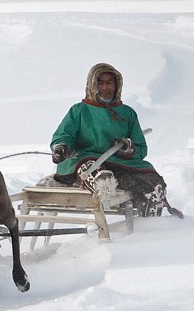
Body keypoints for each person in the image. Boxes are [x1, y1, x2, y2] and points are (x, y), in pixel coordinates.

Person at [46, 62, 169, 217]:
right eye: (100, 83)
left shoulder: (128, 113)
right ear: (92, 85)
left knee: (152, 183)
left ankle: (150, 227)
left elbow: (141, 148)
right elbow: (64, 135)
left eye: (109, 83)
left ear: (117, 85)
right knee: (97, 173)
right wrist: (61, 148)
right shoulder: (79, 110)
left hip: (121, 163)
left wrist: (128, 149)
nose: (105, 88)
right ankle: (103, 187)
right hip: (85, 160)